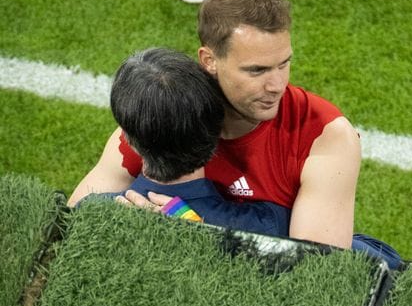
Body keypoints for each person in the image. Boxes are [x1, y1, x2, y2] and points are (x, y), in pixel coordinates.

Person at [69, 0, 361, 250]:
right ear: (209, 60)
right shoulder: (170, 111)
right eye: (256, 70)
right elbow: (69, 225)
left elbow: (314, 275)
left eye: (284, 64)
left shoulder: (324, 137)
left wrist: (197, 238)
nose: (277, 85)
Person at [82, 47, 290, 237]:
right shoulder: (266, 225)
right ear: (217, 130)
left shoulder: (90, 211)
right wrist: (199, 232)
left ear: (127, 139)